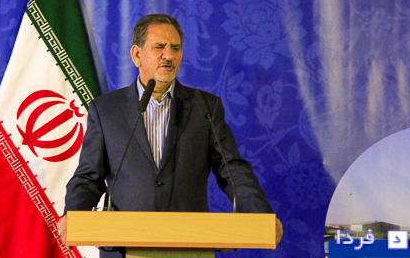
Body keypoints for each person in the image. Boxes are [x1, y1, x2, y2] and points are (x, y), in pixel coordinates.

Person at [59, 14, 283, 254]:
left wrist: (260, 215)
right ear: (137, 54)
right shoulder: (106, 110)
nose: (169, 55)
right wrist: (73, 214)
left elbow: (232, 170)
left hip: (189, 246)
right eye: (159, 47)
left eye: (175, 48)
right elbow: (89, 177)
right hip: (124, 249)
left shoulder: (205, 107)